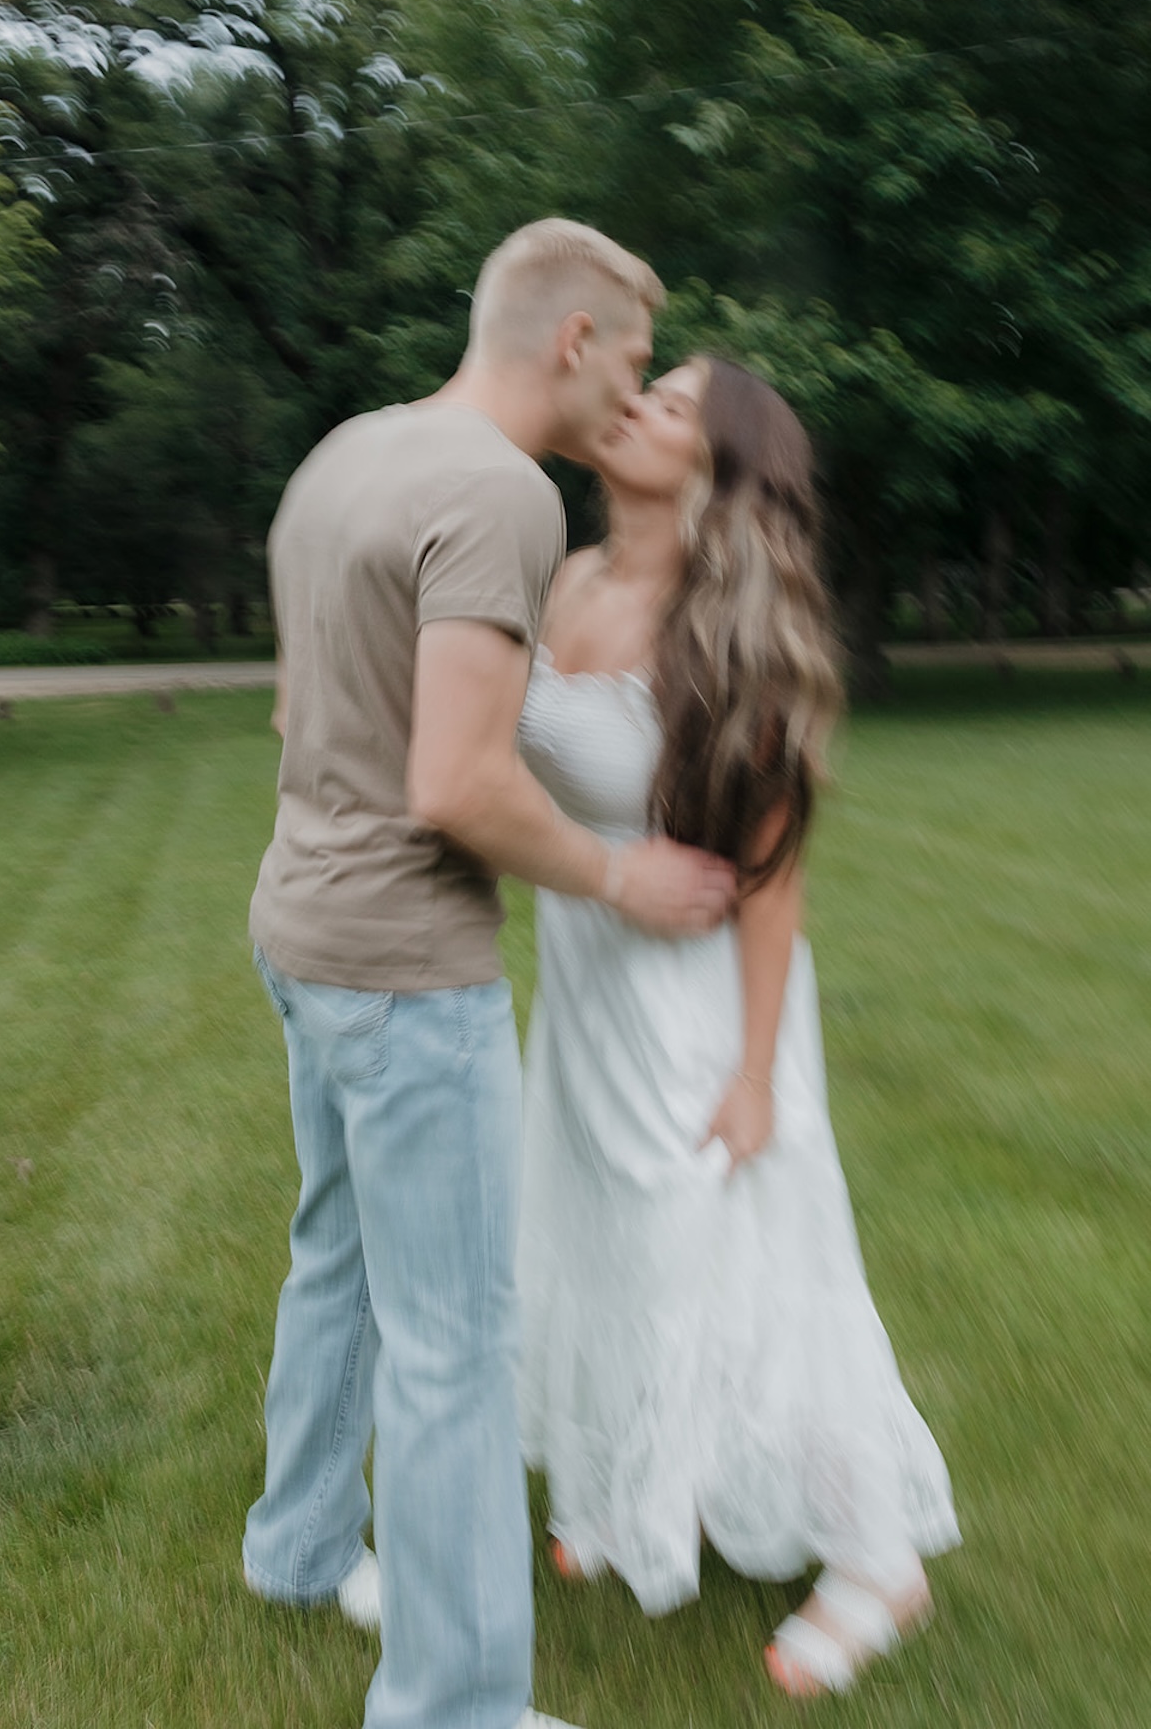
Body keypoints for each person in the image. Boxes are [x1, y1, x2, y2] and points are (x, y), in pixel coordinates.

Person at [242, 222, 737, 1729]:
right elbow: (457, 779)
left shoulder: (351, 453)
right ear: (574, 339)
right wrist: (617, 873)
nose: (633, 398)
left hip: (298, 932)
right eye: (637, 362)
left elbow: (298, 708)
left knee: (336, 1259)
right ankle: (455, 1703)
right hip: (405, 972)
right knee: (454, 1345)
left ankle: (304, 1546)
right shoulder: (500, 495)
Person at [516, 354, 961, 1697]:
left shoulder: (735, 635)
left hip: (700, 1013)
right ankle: (622, 1490)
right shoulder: (569, 578)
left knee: (750, 1277)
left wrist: (759, 1074)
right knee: (603, 1239)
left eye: (673, 403)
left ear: (713, 470)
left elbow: (774, 887)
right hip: (585, 983)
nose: (640, 400)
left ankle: (878, 1560)